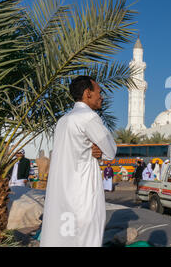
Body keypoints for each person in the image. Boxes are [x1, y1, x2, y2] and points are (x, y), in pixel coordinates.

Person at [40, 76, 117, 247]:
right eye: (99, 92)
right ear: (88, 93)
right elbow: (110, 151)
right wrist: (100, 152)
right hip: (83, 194)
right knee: (86, 239)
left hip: (61, 194)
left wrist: (96, 150)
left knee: (60, 238)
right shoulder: (89, 118)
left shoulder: (63, 121)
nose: (101, 96)